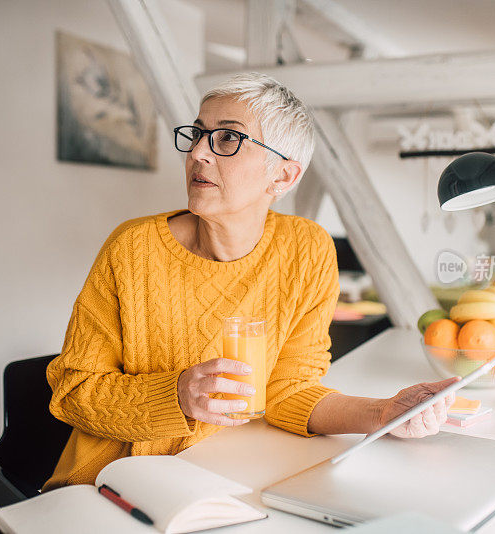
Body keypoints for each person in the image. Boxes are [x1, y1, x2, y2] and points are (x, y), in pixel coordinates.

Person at [42, 73, 459, 491]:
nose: (198, 153)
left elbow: (287, 389)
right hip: (111, 484)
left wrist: (385, 414)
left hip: (224, 472)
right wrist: (178, 395)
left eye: (227, 139)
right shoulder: (133, 249)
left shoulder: (307, 250)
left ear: (283, 177)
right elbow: (74, 390)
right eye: (198, 134)